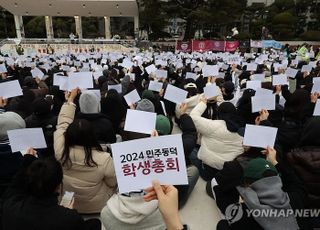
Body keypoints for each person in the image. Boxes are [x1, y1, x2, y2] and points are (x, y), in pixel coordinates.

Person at [2, 148, 101, 230]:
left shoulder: (10, 205)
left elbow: (15, 186)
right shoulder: (68, 219)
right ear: (58, 186)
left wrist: (27, 162)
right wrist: (65, 214)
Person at [54, 88, 117, 214]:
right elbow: (113, 182)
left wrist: (70, 100)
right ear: (92, 136)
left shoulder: (60, 150)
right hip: (97, 206)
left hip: (68, 201)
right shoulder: (103, 159)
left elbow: (62, 125)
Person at [190, 99, 244, 181]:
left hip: (206, 171)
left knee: (190, 149)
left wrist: (203, 103)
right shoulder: (243, 130)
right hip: (226, 172)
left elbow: (192, 118)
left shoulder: (213, 125)